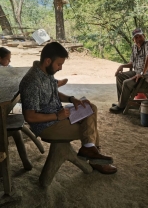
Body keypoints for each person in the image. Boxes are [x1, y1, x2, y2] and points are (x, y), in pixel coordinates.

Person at [19, 42, 117, 174]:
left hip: (58, 115)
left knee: (90, 108)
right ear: (48, 61)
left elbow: (54, 92)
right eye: (59, 64)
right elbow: (29, 116)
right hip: (47, 125)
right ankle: (94, 156)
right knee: (90, 127)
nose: (60, 68)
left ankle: (90, 150)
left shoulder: (45, 71)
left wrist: (71, 99)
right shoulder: (32, 82)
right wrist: (57, 116)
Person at [109, 28, 148, 114]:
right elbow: (132, 63)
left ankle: (121, 106)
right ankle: (122, 103)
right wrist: (122, 66)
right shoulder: (134, 47)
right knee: (119, 76)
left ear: (144, 36)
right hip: (138, 73)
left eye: (140, 36)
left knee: (127, 83)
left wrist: (142, 73)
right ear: (133, 39)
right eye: (136, 37)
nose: (138, 39)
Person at [0, 46, 68, 87]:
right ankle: (55, 84)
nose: (10, 61)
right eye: (59, 64)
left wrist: (70, 99)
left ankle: (55, 83)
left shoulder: (48, 71)